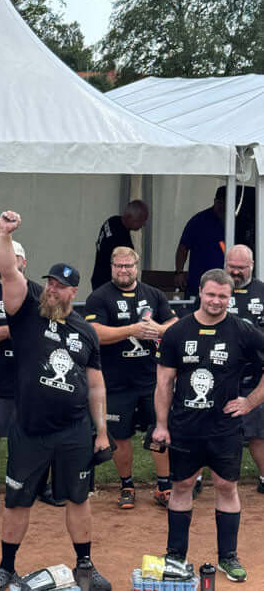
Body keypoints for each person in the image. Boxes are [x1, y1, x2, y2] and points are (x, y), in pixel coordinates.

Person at [0, 210, 111, 591]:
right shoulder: (26, 313)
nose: (52, 289)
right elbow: (9, 272)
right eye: (50, 282)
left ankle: (85, 565)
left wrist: (102, 432)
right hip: (30, 429)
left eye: (60, 286)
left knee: (78, 499)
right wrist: (3, 234)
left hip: (74, 431)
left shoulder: (86, 332)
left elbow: (96, 385)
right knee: (16, 501)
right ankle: (6, 567)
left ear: (74, 292)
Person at [154, 268, 264, 583]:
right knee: (182, 486)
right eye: (211, 294)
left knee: (226, 486)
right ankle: (175, 556)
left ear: (231, 298)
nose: (216, 301)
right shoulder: (177, 332)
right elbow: (164, 383)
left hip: (225, 427)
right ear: (200, 292)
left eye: (223, 296)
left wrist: (250, 402)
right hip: (185, 426)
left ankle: (228, 557)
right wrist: (161, 425)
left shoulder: (243, 332)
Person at [0, 241, 64, 510]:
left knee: (39, 437)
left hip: (35, 382)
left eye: (16, 257)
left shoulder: (40, 293)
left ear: (24, 261)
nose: (10, 261)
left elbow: (59, 328)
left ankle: (40, 486)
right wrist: (10, 330)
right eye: (5, 257)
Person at [85, 246, 177, 509]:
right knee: (121, 437)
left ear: (136, 267)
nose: (123, 270)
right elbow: (94, 332)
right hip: (116, 382)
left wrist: (159, 329)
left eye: (128, 265)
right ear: (111, 267)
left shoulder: (154, 294)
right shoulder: (99, 296)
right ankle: (127, 485)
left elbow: (174, 324)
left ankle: (164, 486)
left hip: (151, 381)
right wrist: (131, 331)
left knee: (159, 432)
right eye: (119, 266)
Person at [225, 245, 264, 494]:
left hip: (256, 374)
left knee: (258, 432)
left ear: (251, 266)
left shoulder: (262, 291)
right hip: (221, 372)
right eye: (232, 267)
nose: (236, 272)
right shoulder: (216, 288)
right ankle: (196, 480)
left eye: (241, 267)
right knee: (208, 430)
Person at [174, 186, 225, 297]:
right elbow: (183, 248)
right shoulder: (199, 221)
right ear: (215, 201)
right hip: (198, 283)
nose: (222, 207)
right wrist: (179, 272)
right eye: (220, 203)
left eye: (225, 204)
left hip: (225, 284)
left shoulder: (237, 221)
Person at [91, 200, 149, 290]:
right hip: (110, 286)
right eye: (141, 220)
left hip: (98, 279)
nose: (143, 224)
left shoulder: (112, 221)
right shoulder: (122, 241)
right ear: (130, 217)